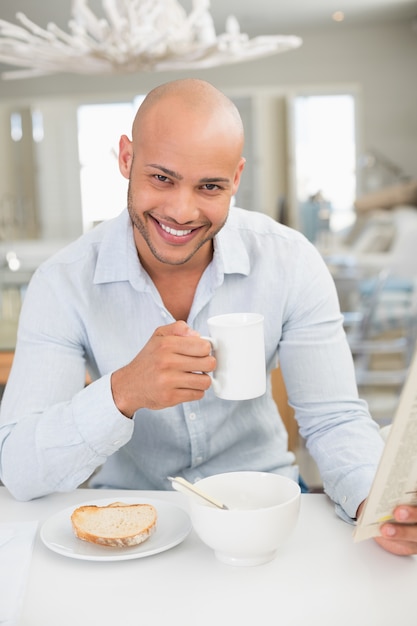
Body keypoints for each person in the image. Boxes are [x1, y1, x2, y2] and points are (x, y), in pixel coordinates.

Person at [0, 78, 416, 556]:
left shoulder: (290, 261)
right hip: (132, 520)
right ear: (126, 159)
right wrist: (122, 392)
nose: (182, 210)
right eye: (161, 178)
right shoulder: (63, 283)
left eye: (210, 186)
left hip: (268, 509)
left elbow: (333, 419)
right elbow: (19, 468)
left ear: (236, 178)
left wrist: (376, 504)